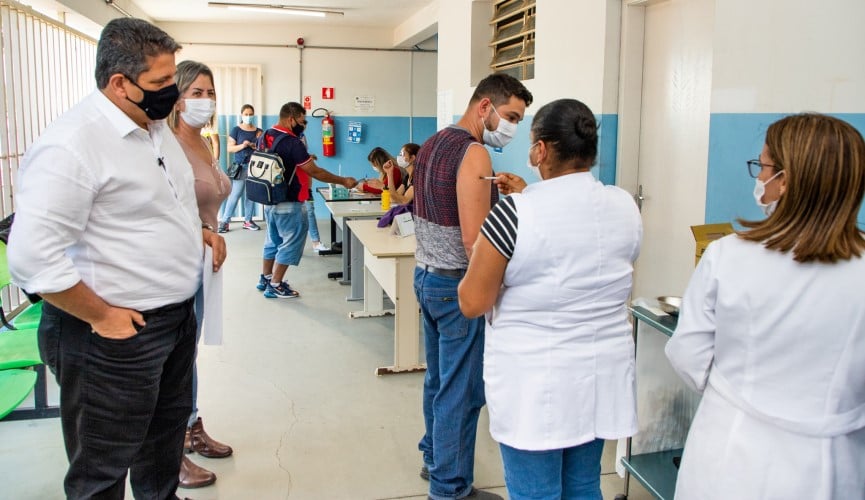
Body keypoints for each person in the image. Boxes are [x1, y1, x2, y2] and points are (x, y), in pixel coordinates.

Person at [7, 18, 226, 499]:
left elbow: (165, 202)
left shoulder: (152, 129)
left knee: (161, 452)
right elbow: (31, 256)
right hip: (109, 335)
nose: (173, 92)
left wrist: (202, 233)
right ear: (119, 83)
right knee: (102, 469)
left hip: (172, 321)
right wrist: (102, 315)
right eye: (161, 83)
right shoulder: (73, 146)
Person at [665, 113, 865, 499]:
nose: (759, 179)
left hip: (730, 453)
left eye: (764, 167)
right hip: (835, 466)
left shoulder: (729, 256)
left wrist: (741, 391)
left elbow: (689, 356)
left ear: (786, 180)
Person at [457, 99, 642, 500]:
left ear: (540, 150)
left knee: (535, 493)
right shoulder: (625, 206)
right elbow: (610, 277)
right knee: (583, 485)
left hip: (536, 383)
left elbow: (472, 302)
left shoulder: (513, 214)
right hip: (599, 375)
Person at [412, 73, 532, 500]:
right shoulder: (475, 153)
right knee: (461, 394)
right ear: (486, 107)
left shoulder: (432, 143)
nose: (512, 127)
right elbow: (474, 240)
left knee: (439, 381)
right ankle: (450, 488)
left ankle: (434, 458)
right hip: (455, 288)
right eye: (511, 116)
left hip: (425, 277)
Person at [168, 60, 234, 489]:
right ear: (175, 97)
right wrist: (204, 232)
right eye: (196, 92)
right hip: (175, 262)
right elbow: (166, 210)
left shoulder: (202, 142)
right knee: (172, 359)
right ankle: (170, 450)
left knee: (187, 353)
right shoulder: (168, 143)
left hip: (201, 262)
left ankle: (191, 427)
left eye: (209, 93)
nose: (205, 100)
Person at [255, 102, 356, 299]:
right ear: (291, 119)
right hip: (289, 201)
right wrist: (343, 181)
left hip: (269, 200)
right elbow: (315, 171)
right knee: (290, 243)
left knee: (272, 241)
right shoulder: (293, 142)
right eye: (303, 120)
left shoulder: (265, 136)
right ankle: (275, 285)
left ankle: (265, 278)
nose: (304, 125)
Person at [218, 103, 262, 232]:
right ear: (242, 115)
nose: (248, 116)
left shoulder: (259, 131)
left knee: (251, 195)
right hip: (241, 166)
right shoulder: (236, 130)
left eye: (250, 114)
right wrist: (243, 145)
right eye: (246, 114)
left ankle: (248, 221)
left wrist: (256, 146)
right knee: (235, 194)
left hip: (254, 167)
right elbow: (230, 148)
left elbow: (264, 149)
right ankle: (225, 221)